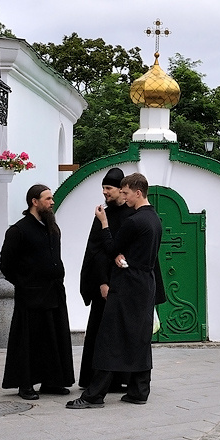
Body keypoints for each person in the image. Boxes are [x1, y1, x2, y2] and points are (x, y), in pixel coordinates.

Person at [68, 173, 162, 409]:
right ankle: (139, 391)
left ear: (138, 193)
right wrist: (124, 256)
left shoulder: (134, 221)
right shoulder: (154, 218)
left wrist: (104, 223)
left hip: (127, 285)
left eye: (126, 192)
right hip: (145, 283)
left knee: (109, 339)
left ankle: (94, 396)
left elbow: (110, 248)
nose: (124, 196)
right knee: (140, 338)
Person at [0, 184, 75, 401]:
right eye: (48, 199)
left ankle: (52, 381)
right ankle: (26, 384)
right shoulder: (18, 231)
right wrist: (24, 284)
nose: (52, 202)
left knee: (53, 338)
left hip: (54, 292)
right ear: (35, 201)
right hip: (31, 295)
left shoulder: (52, 227)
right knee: (30, 341)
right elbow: (6, 265)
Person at [77, 168, 134, 390]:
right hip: (105, 286)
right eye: (103, 188)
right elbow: (95, 252)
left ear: (121, 189)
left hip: (125, 283)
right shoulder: (103, 215)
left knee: (122, 332)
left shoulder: (132, 214)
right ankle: (95, 378)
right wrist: (102, 281)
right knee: (100, 331)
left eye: (108, 188)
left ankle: (122, 378)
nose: (104, 192)